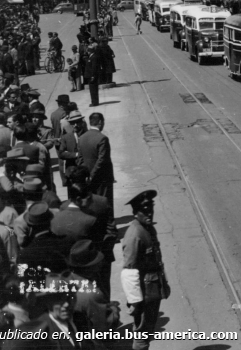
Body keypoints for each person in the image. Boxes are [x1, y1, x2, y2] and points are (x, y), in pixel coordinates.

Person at [121, 190, 170, 350]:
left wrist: (164, 284)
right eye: (144, 209)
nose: (149, 212)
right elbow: (129, 271)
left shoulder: (147, 228)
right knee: (142, 335)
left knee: (147, 332)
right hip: (144, 294)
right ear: (135, 212)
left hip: (153, 289)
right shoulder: (135, 234)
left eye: (151, 208)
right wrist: (135, 301)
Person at [77, 113, 114, 209]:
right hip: (102, 178)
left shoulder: (82, 138)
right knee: (105, 203)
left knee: (92, 204)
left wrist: (86, 175)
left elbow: (80, 159)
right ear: (100, 122)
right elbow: (102, 159)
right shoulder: (102, 138)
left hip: (88, 178)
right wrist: (92, 175)